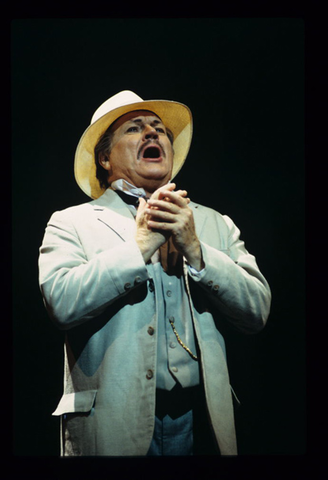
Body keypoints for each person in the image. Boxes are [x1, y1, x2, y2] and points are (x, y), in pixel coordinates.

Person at [38, 90, 271, 456]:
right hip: (112, 427)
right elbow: (62, 303)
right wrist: (139, 247)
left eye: (159, 129)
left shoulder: (212, 222)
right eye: (134, 128)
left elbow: (257, 311)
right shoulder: (72, 222)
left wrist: (196, 250)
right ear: (104, 158)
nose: (152, 134)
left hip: (202, 423)